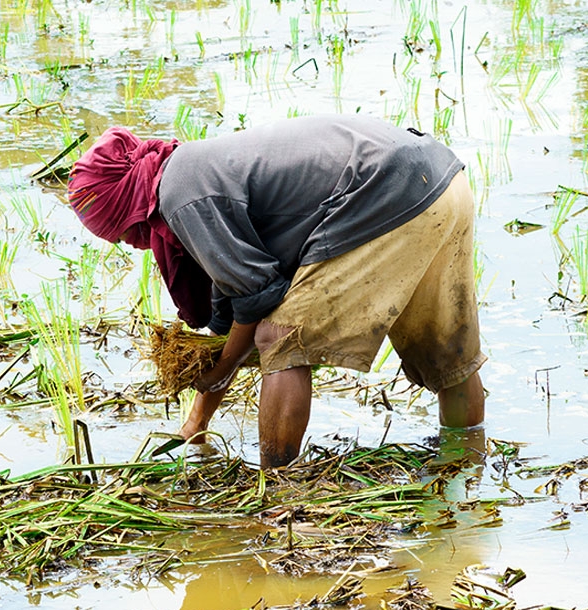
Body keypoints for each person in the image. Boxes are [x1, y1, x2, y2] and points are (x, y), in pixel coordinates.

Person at [66, 114, 485, 467]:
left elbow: (256, 300)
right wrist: (196, 425)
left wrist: (224, 369)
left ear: (123, 205)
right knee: (449, 355)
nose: (128, 242)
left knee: (278, 337)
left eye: (119, 233)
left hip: (385, 188)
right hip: (440, 178)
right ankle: (467, 470)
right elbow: (233, 306)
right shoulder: (194, 168)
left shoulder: (179, 195)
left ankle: (278, 489)